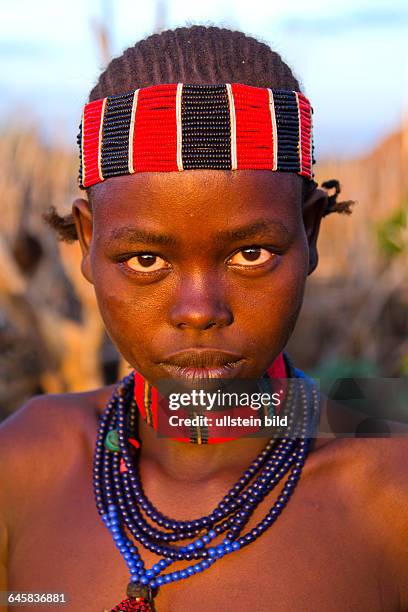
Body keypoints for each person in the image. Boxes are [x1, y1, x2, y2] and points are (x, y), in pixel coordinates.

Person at [1, 25, 407, 612]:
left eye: (250, 254)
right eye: (145, 259)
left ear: (310, 234)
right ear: (88, 242)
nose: (198, 311)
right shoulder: (27, 461)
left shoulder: (387, 493)